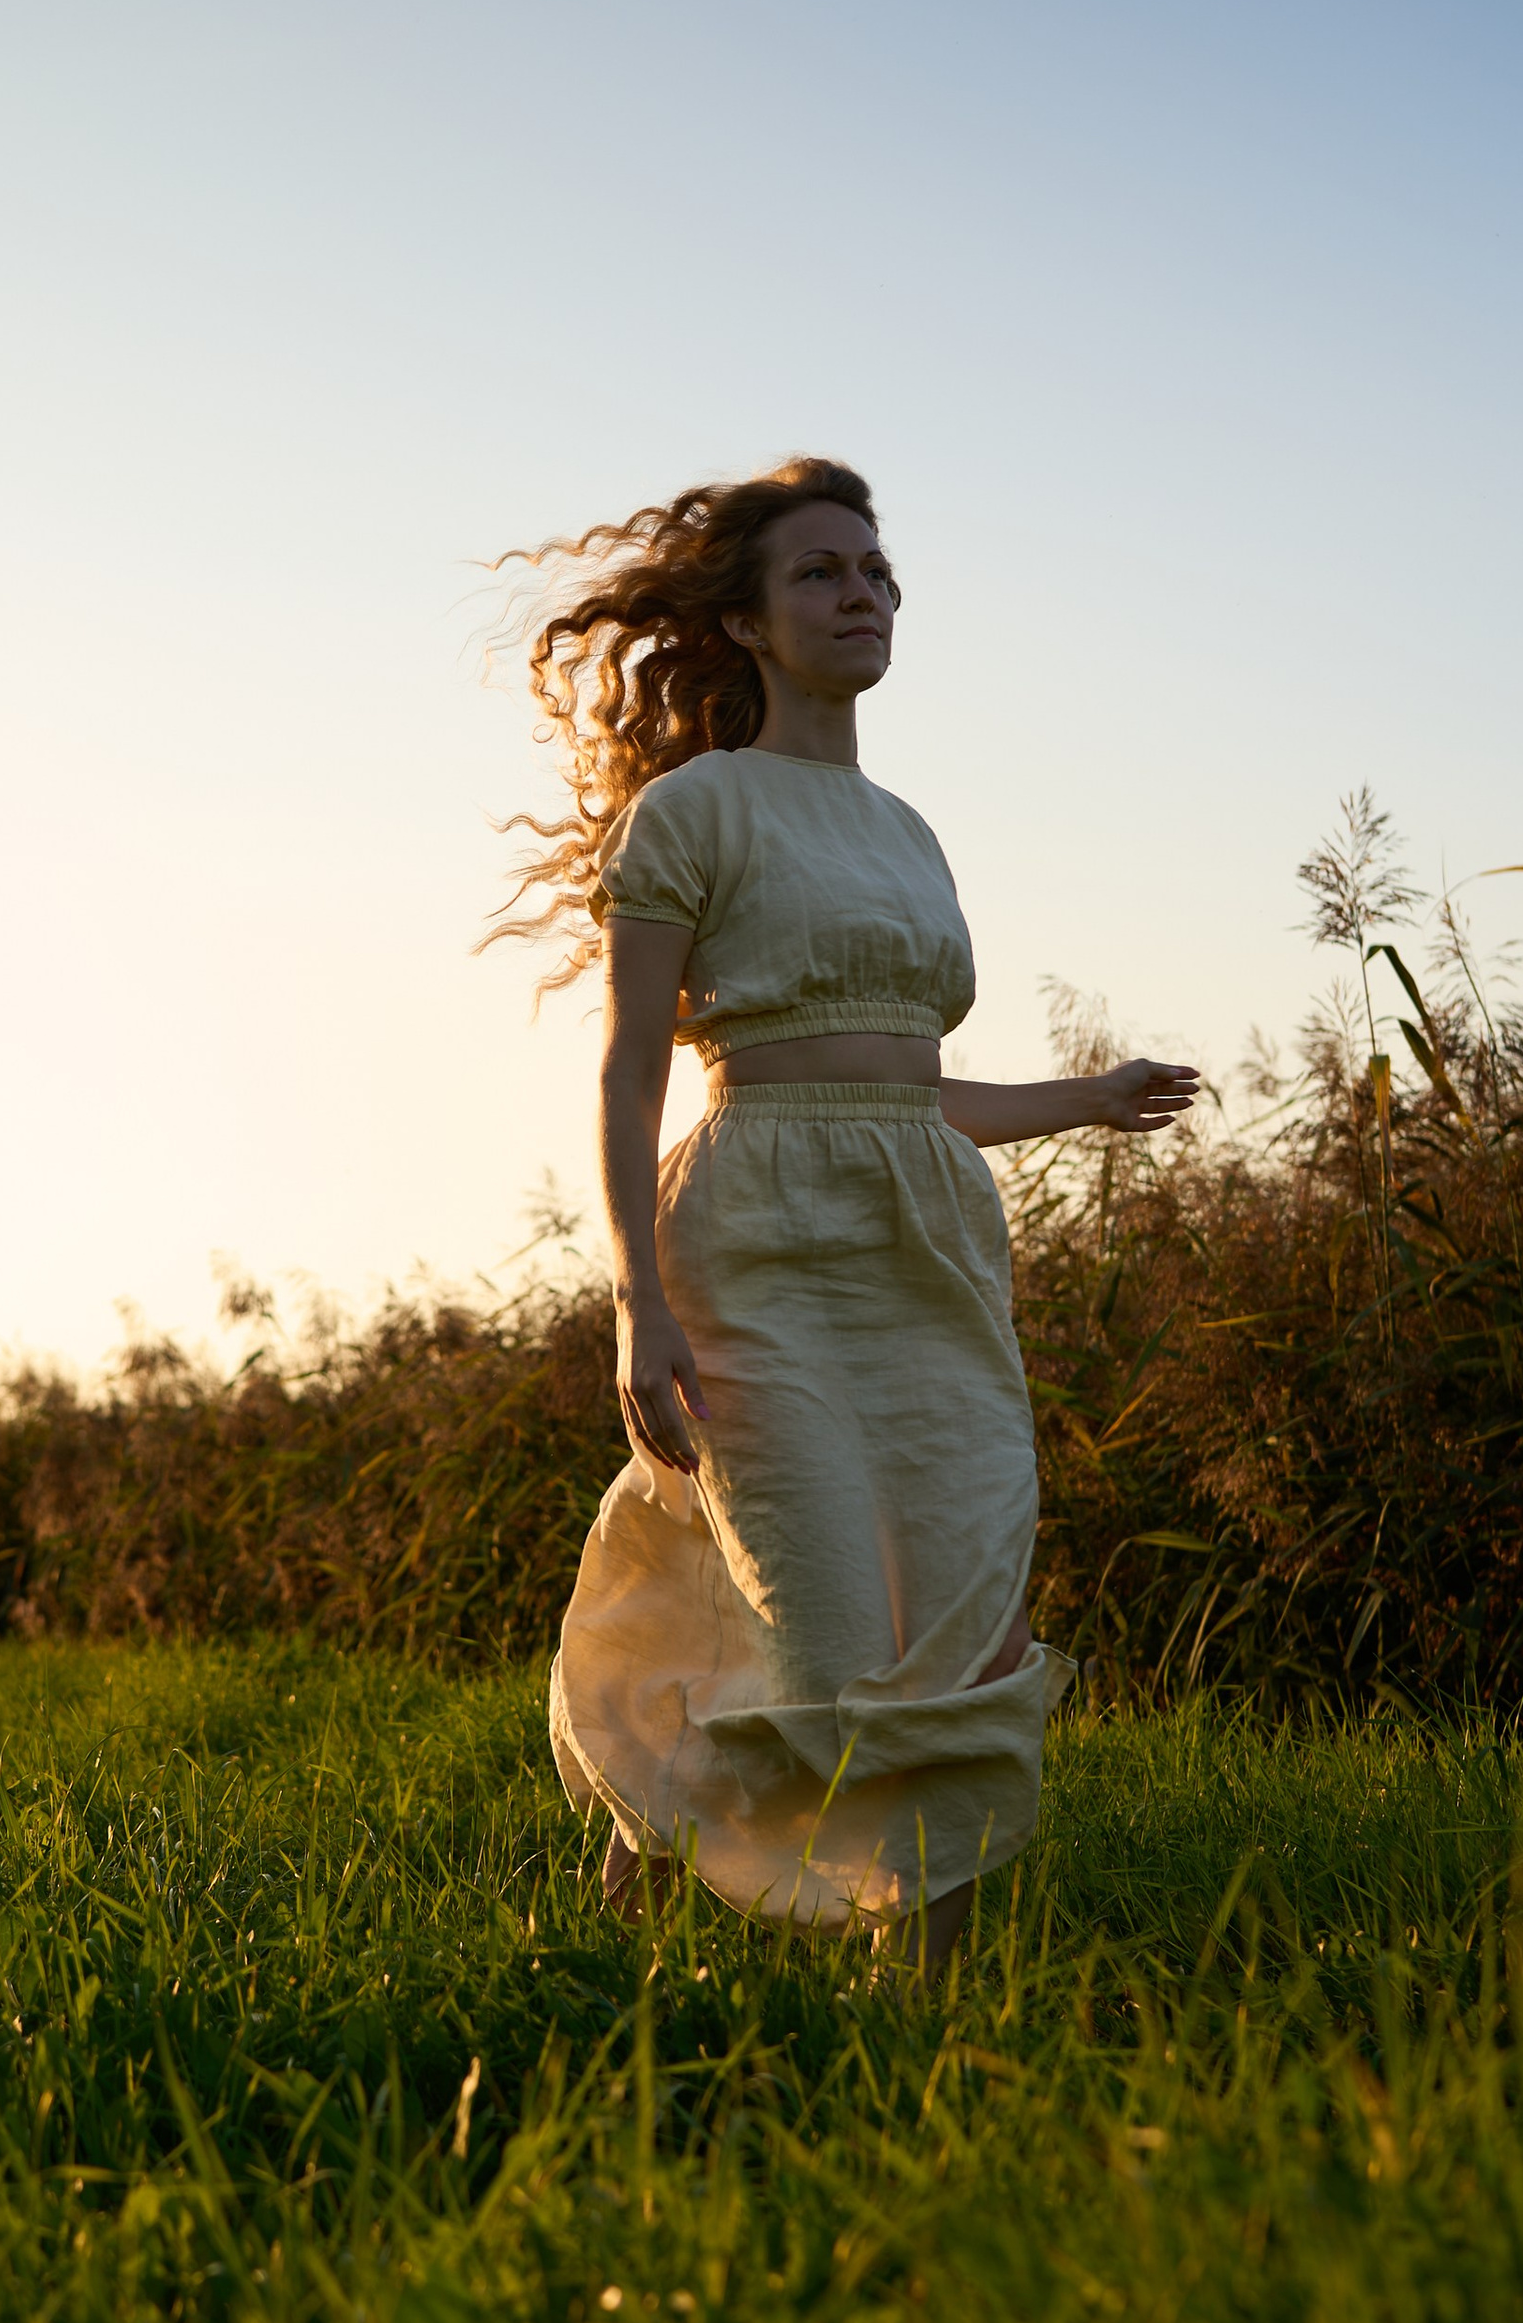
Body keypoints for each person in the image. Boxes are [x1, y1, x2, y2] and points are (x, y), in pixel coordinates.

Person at [494, 458, 1196, 1977]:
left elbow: (904, 1094)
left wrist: (1088, 1097)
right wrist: (639, 1304)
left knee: (955, 1618)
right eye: (821, 572)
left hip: (930, 1247)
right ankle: (653, 1915)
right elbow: (632, 1075)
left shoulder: (908, 832)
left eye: (875, 572)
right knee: (821, 1631)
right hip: (758, 1243)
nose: (861, 593)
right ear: (745, 623)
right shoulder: (689, 815)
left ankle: (925, 2010)